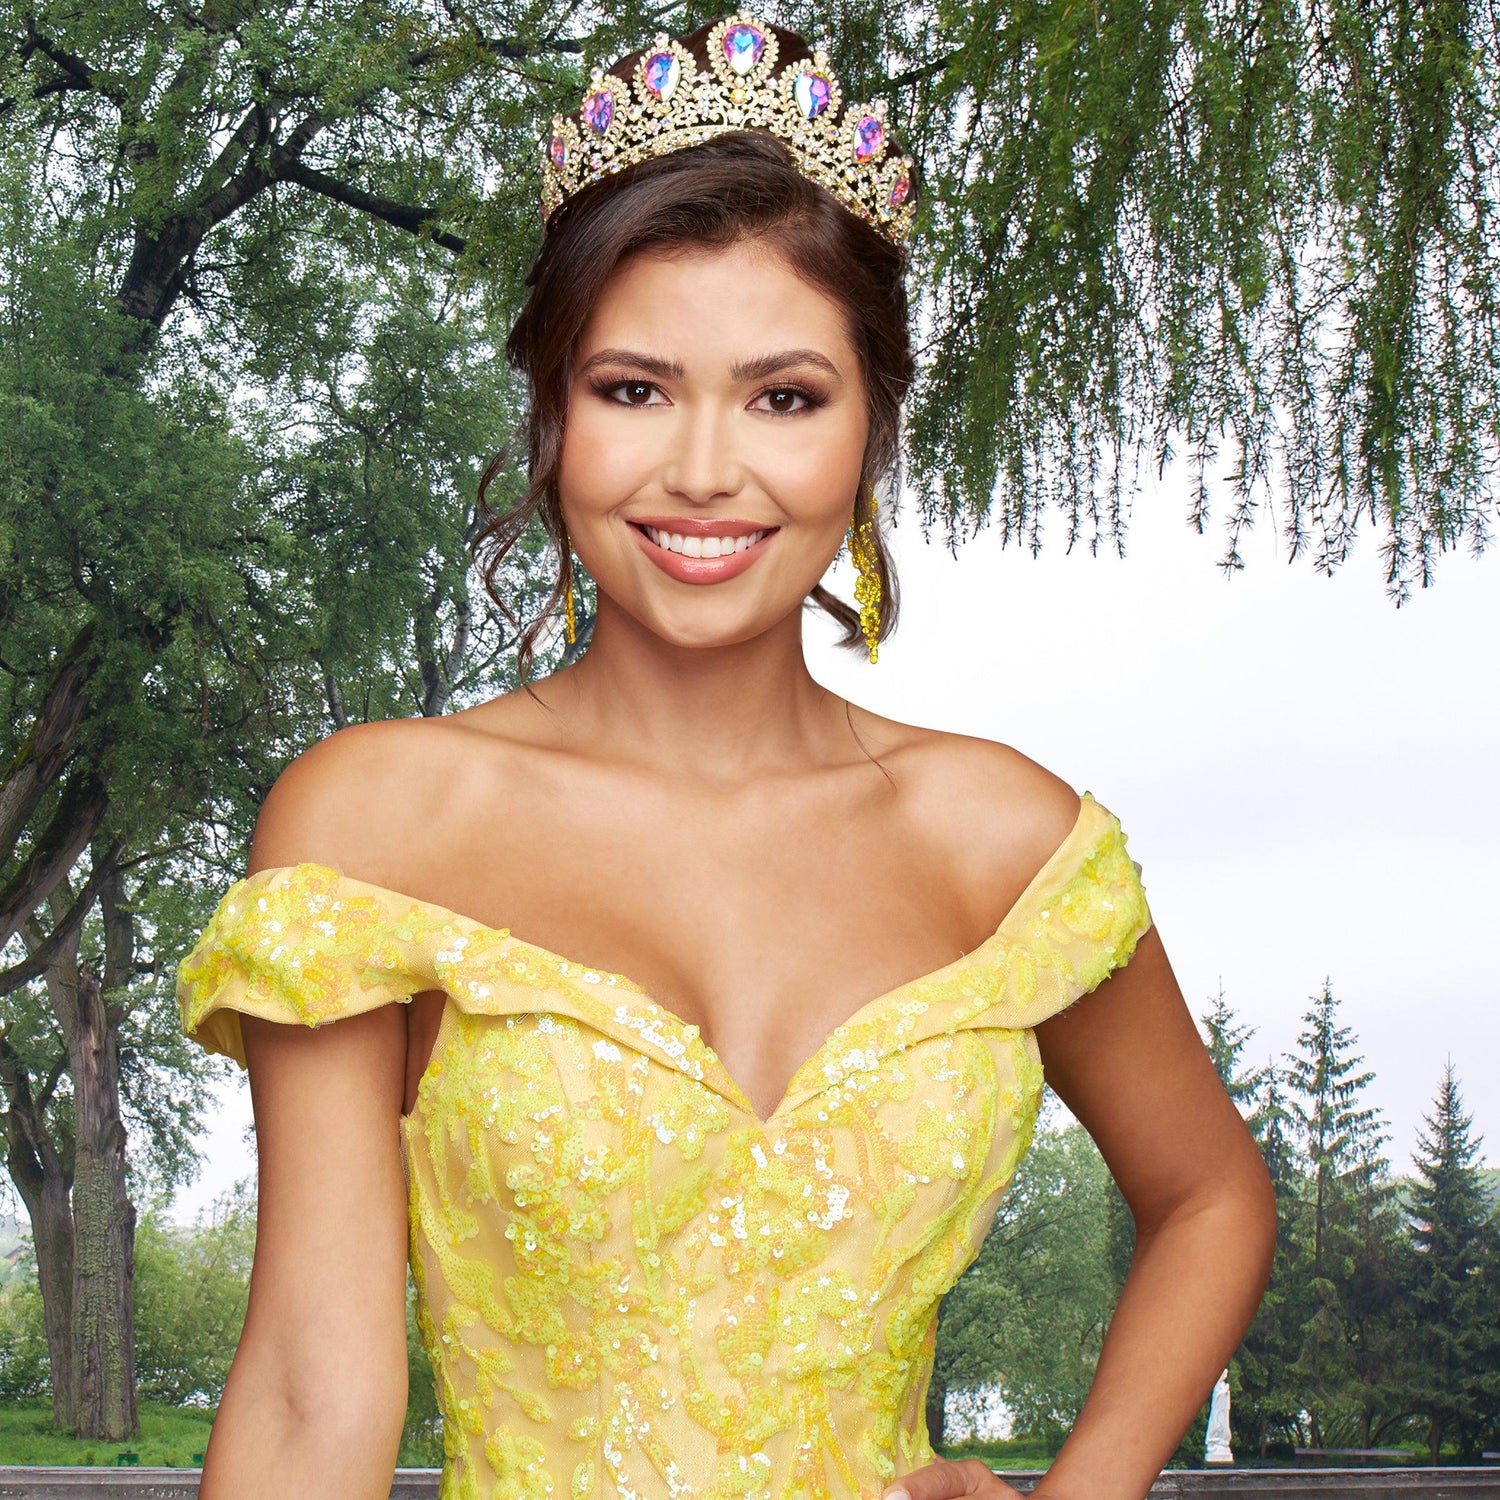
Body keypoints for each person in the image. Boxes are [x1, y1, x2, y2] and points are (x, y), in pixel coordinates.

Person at [176, 12, 1277, 1500]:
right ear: (555, 418)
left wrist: (1085, 1490)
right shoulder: (378, 824)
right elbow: (315, 1396)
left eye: (784, 396)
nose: (703, 469)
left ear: (870, 429)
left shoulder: (1002, 838)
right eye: (634, 388)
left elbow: (1210, 1193)